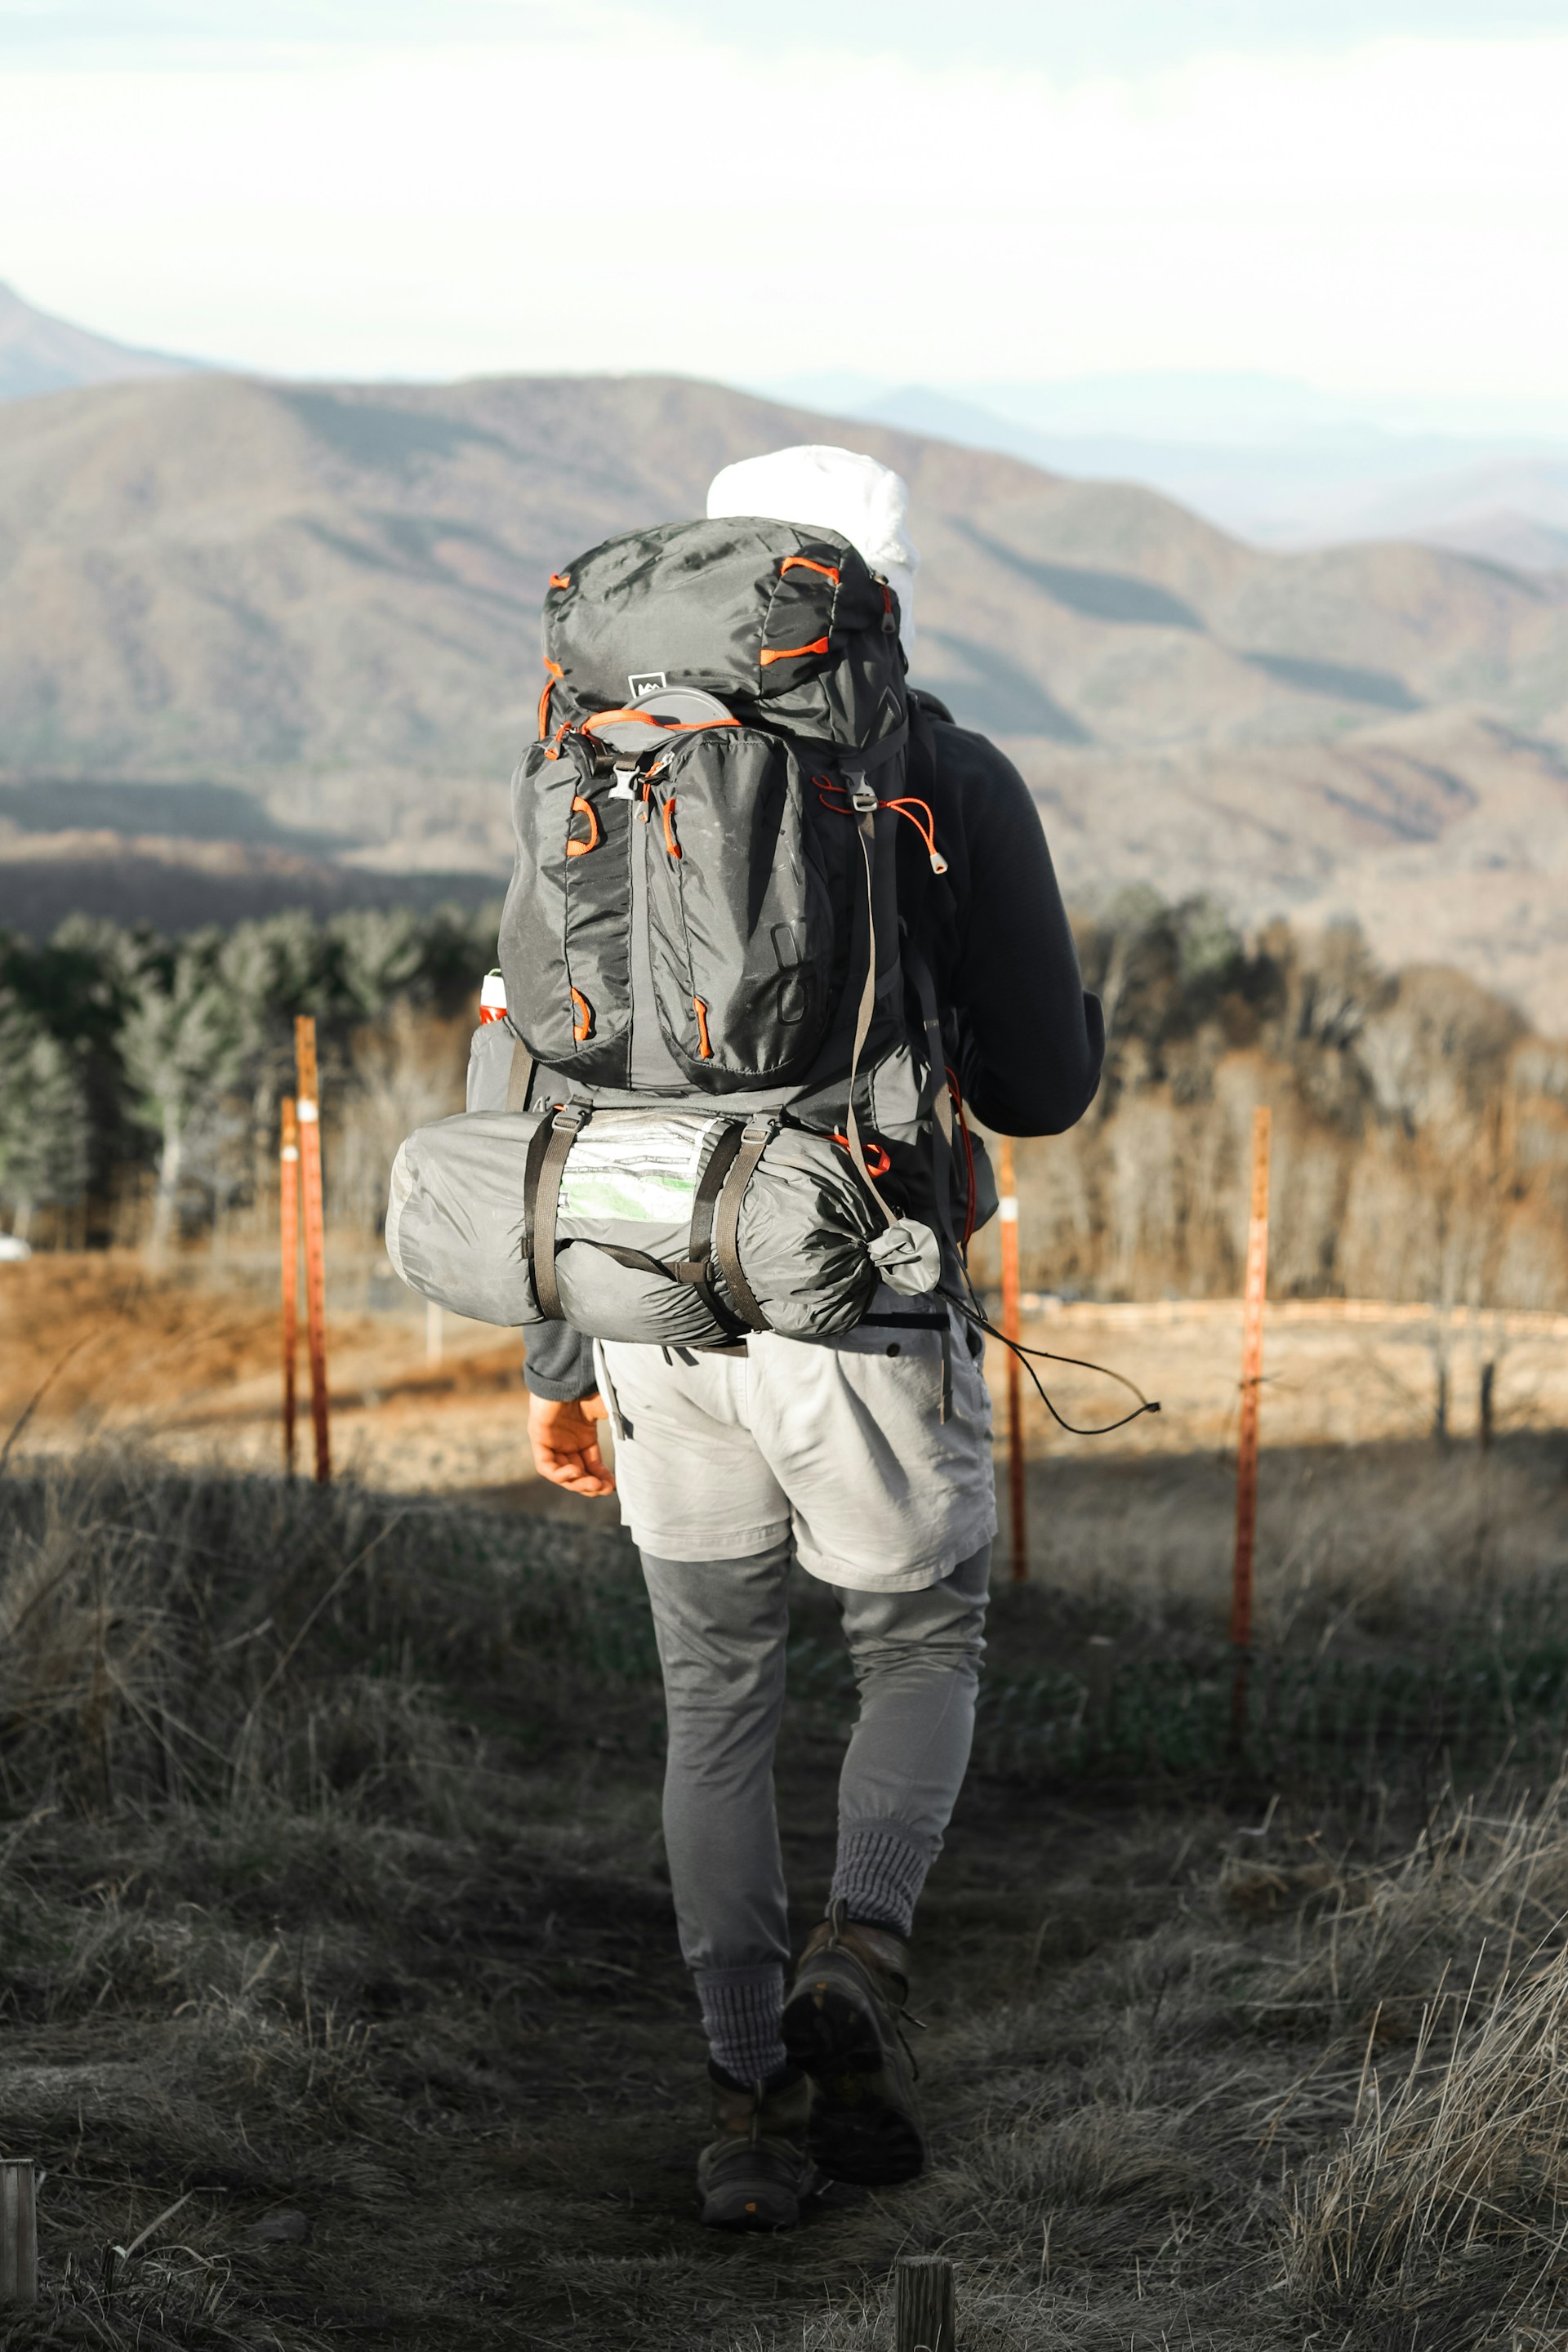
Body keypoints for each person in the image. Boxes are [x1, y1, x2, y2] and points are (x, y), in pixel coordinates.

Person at [522, 446, 1103, 2228]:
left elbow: (532, 1052)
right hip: (861, 1284)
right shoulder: (942, 768)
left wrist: (557, 1362)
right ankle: (859, 1953)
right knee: (919, 1636)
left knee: (713, 1695)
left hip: (644, 1290)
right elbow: (1044, 1084)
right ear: (876, 595)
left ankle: (746, 2109)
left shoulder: (594, 756)